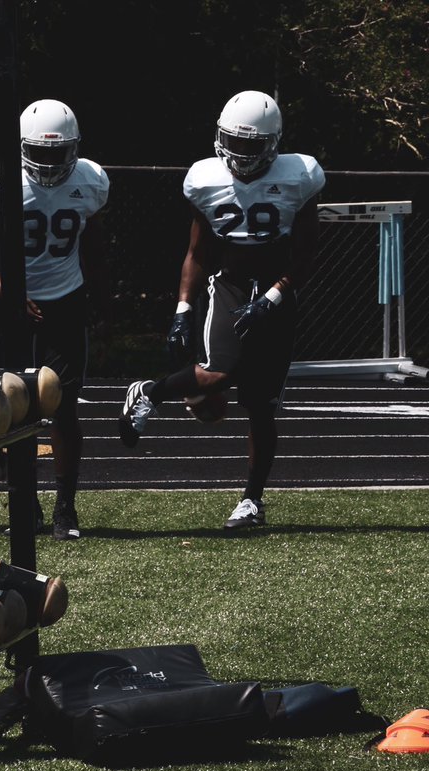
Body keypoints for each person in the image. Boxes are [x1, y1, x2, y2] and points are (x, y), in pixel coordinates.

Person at [118, 90, 324, 529]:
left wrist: (272, 298)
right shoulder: (205, 178)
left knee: (261, 405)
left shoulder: (301, 176)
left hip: (277, 289)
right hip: (229, 284)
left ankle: (251, 501)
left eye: (252, 145)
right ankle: (149, 394)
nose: (242, 153)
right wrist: (182, 307)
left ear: (273, 143)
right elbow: (196, 252)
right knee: (219, 372)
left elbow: (306, 256)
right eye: (235, 141)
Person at [0, 98, 110, 541]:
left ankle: (65, 508)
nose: (49, 162)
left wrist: (98, 299)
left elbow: (97, 248)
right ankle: (23, 502)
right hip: (14, 307)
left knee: (64, 408)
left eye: (57, 152)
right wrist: (12, 296)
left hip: (66, 301)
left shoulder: (91, 180)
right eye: (40, 152)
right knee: (9, 411)